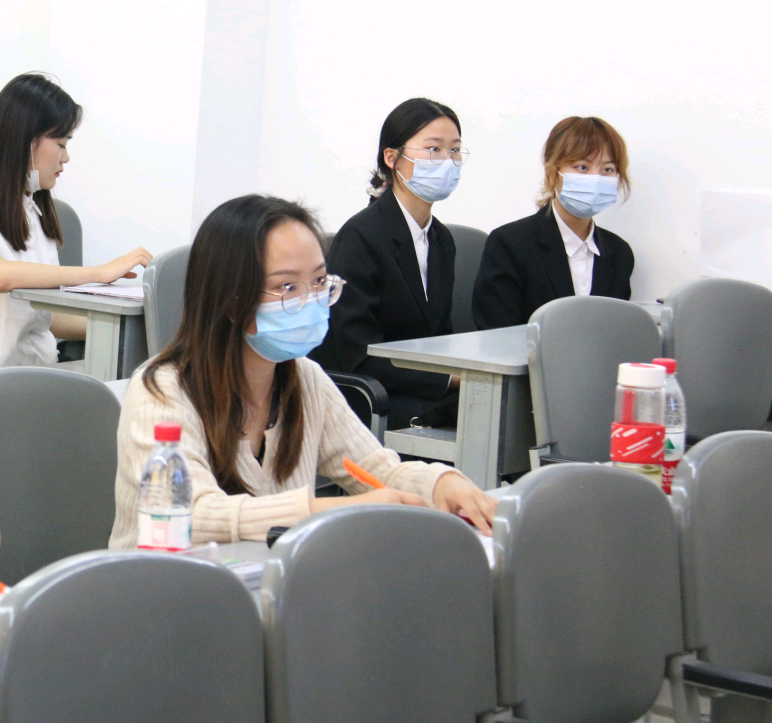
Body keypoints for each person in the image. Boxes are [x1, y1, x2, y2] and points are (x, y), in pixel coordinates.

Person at [109, 194, 495, 548]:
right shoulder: (161, 391)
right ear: (231, 299)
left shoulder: (304, 378)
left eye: (320, 281)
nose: (312, 301)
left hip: (267, 584)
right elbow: (191, 514)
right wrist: (317, 511)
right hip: (168, 590)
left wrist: (440, 483)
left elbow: (377, 471)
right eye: (289, 287)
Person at [0, 73, 153, 390]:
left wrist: (133, 326)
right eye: (61, 143)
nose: (66, 157)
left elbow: (43, 317)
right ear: (24, 140)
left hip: (36, 376)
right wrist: (99, 273)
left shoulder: (33, 211)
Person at [312, 98, 466, 429]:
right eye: (433, 149)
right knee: (476, 421)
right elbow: (358, 355)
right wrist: (449, 379)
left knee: (497, 410)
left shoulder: (442, 240)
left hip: (420, 389)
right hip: (369, 395)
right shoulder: (361, 237)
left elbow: (440, 337)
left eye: (454, 150)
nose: (447, 160)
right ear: (392, 158)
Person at [473, 116, 634, 329]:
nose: (595, 179)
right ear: (552, 173)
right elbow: (497, 333)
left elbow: (615, 333)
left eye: (607, 170)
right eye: (582, 167)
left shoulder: (619, 253)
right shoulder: (510, 244)